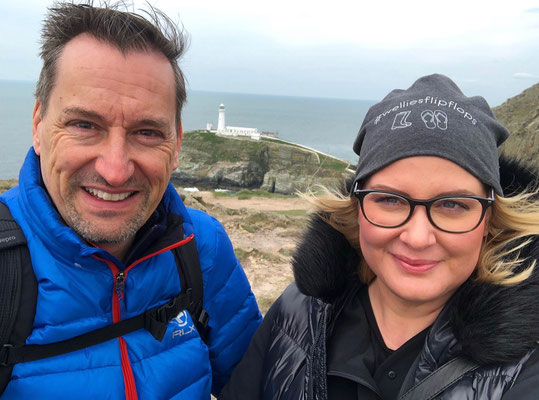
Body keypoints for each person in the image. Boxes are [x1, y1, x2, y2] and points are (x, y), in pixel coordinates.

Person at [220, 74, 539, 399]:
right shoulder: (298, 311)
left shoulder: (527, 366)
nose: (417, 238)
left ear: (489, 218)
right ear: (356, 208)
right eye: (389, 199)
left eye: (452, 204)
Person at [0, 2, 261, 399]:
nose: (116, 170)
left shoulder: (202, 247)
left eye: (147, 133)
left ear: (176, 145)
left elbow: (256, 387)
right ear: (38, 127)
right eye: (85, 125)